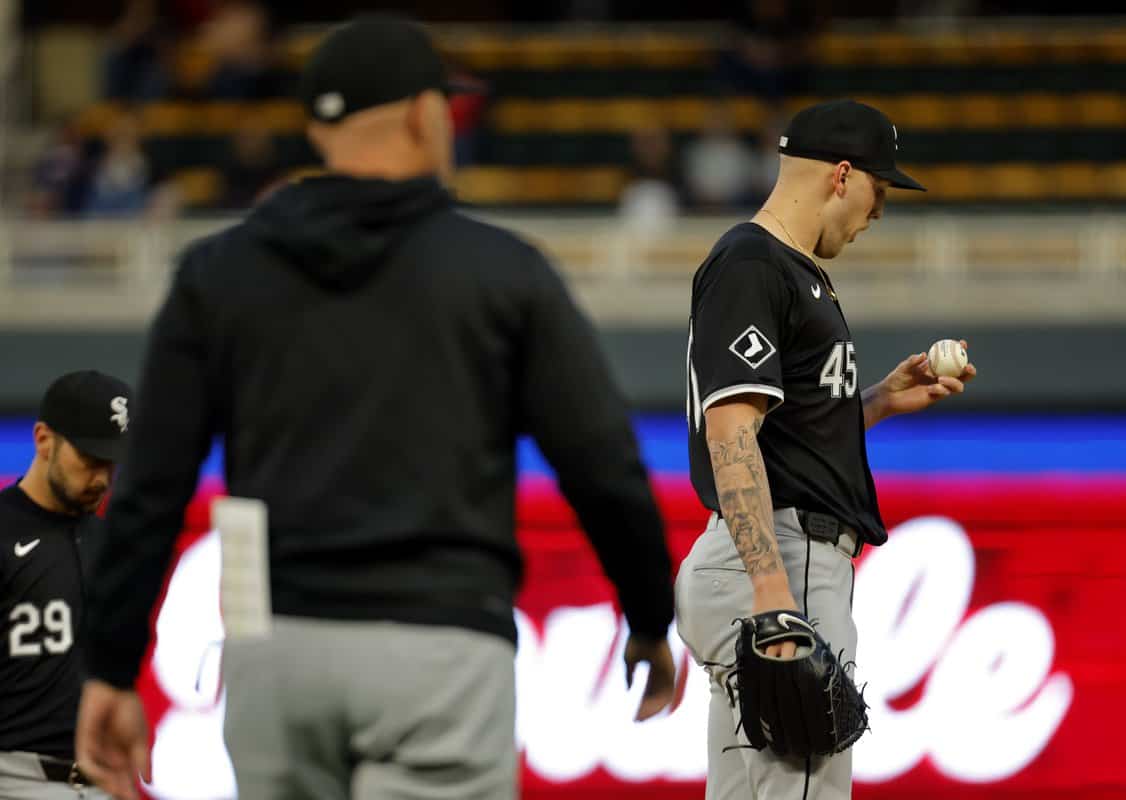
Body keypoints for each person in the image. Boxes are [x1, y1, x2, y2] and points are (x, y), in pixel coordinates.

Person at [75, 16, 677, 800]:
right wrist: (647, 619)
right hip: (441, 649)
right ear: (425, 116)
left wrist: (111, 668)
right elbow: (604, 467)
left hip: (276, 652)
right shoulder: (503, 273)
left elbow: (150, 487)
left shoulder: (215, 275)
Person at [675, 99, 978, 800]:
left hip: (760, 558)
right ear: (842, 176)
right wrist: (775, 595)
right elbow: (732, 434)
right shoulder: (756, 262)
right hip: (784, 559)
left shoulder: (784, 269)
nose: (879, 210)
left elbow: (783, 433)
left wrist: (870, 404)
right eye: (880, 187)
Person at [0, 370, 132, 799]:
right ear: (43, 440)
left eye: (111, 463)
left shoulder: (110, 542)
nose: (102, 478)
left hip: (100, 782)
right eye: (90, 459)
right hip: (16, 777)